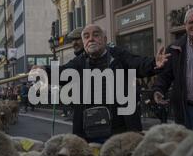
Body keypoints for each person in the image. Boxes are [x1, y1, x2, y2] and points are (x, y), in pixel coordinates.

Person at [32, 24, 169, 143]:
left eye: (96, 35)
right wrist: (44, 70)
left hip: (120, 131)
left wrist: (154, 64)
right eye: (86, 36)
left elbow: (138, 64)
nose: (90, 39)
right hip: (88, 132)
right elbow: (62, 72)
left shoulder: (119, 55)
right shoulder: (79, 62)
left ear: (104, 39)